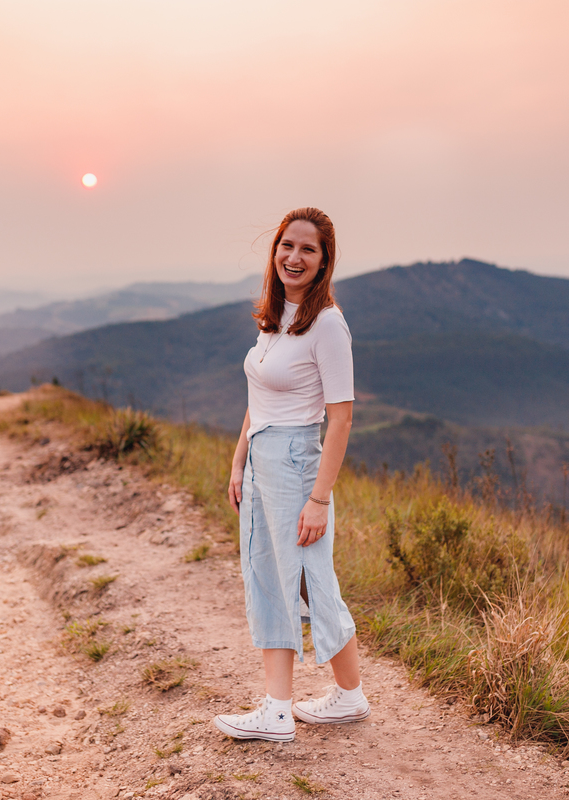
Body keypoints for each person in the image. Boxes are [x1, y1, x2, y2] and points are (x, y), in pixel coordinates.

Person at [213, 207, 369, 743]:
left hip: (299, 463)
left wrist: (319, 499)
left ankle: (317, 701)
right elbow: (258, 400)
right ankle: (300, 704)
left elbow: (342, 416)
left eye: (308, 249)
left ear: (324, 261)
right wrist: (239, 463)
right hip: (261, 460)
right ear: (274, 250)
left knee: (306, 579)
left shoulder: (327, 323)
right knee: (269, 576)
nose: (293, 257)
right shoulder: (276, 317)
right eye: (286, 245)